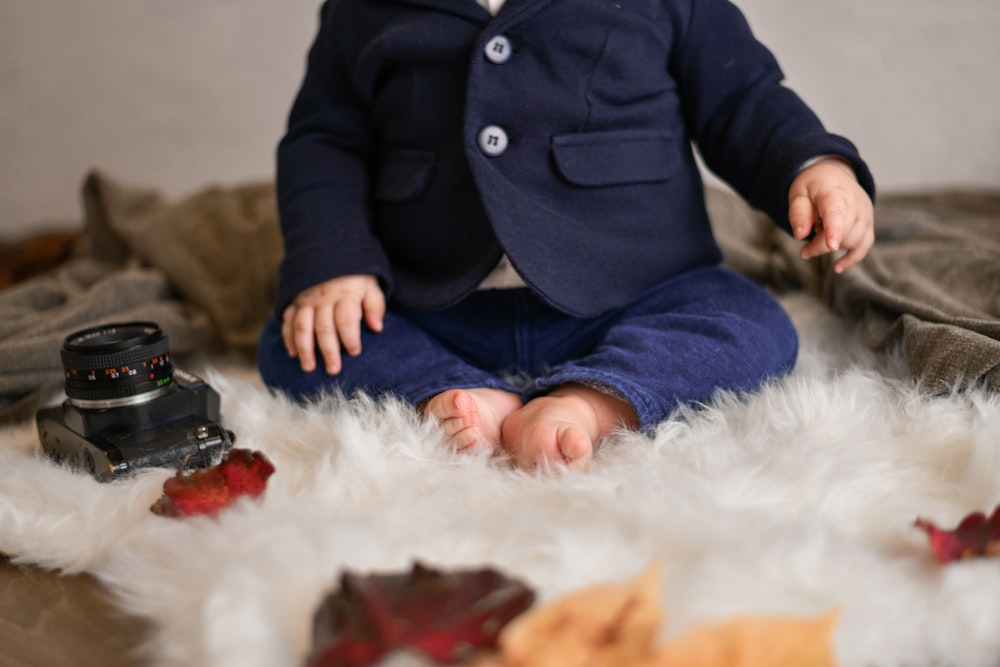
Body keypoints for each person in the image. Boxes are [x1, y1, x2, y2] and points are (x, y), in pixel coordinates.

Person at [257, 0, 876, 471]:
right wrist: (333, 260)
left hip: (632, 292)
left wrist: (813, 165)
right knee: (300, 338)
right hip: (437, 299)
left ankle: (590, 400)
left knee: (752, 324)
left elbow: (742, 99)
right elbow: (325, 139)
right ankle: (454, 392)